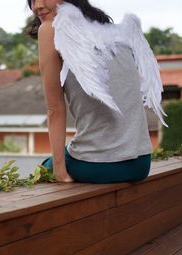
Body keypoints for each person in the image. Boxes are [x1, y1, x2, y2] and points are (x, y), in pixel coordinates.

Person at [26, 0, 167, 184]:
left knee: (44, 168)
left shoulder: (50, 29)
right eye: (32, 0)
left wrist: (60, 172)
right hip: (140, 165)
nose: (37, 6)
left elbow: (55, 110)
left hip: (101, 165)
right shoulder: (115, 33)